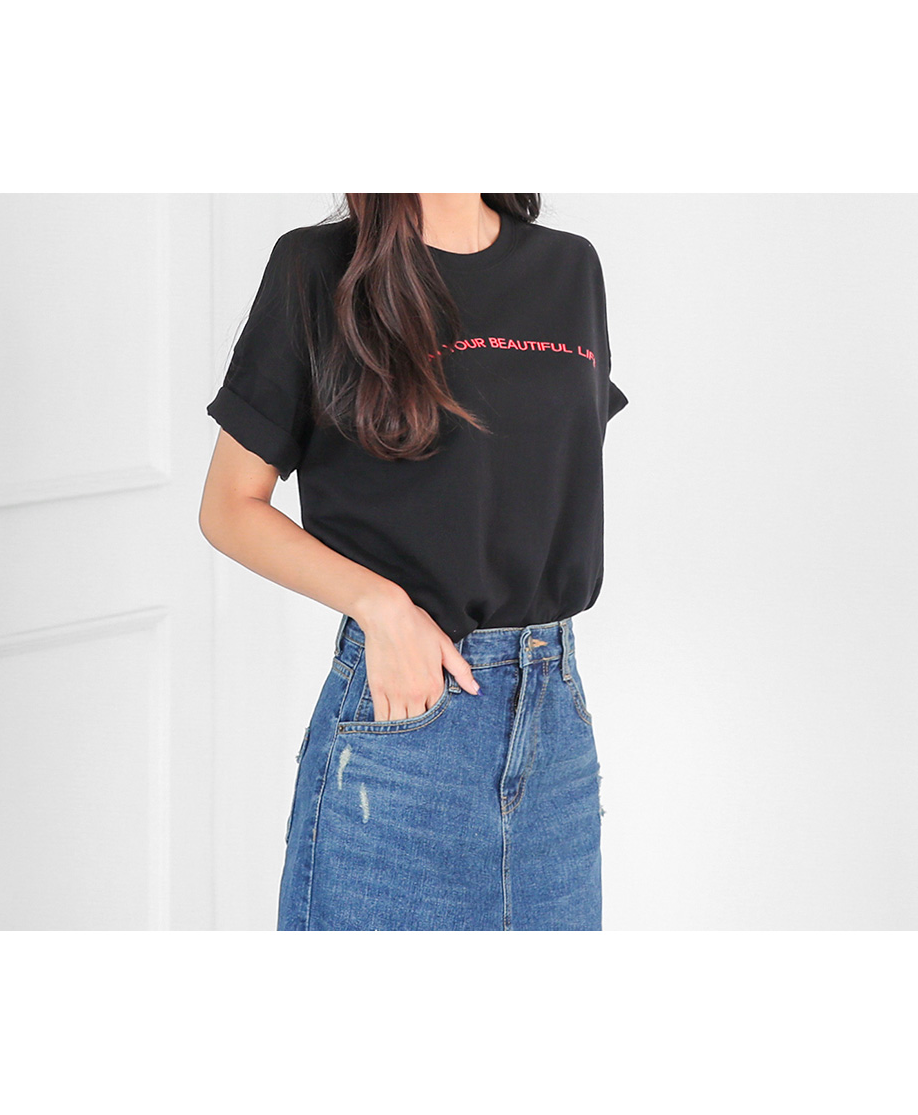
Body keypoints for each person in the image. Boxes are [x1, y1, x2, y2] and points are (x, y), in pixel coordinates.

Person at [200, 193, 627, 932]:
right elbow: (229, 506)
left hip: (555, 731)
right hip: (401, 726)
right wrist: (382, 608)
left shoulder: (570, 267)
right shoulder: (319, 268)